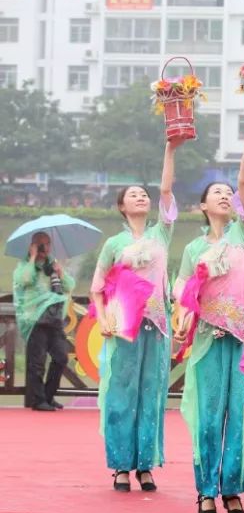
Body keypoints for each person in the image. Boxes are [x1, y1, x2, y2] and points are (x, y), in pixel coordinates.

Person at [173, 127, 244, 513]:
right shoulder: (194, 249)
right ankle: (206, 489)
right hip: (208, 338)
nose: (226, 197)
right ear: (203, 207)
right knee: (209, 415)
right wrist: (182, 316)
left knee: (242, 413)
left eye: (229, 195)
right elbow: (182, 288)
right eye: (217, 194)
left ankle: (233, 488)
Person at [91, 140, 178, 493]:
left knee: (152, 391)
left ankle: (145, 465)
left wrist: (170, 149)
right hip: (123, 327)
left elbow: (167, 189)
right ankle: (121, 465)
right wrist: (101, 318)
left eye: (144, 194)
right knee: (121, 392)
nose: (142, 197)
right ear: (121, 206)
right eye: (134, 195)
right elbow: (97, 287)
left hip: (157, 325)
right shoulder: (114, 244)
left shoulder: (161, 233)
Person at [14, 232, 75, 411]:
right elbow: (23, 279)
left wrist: (60, 272)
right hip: (35, 320)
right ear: (32, 246)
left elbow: (70, 286)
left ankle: (47, 396)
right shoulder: (25, 265)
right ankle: (38, 400)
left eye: (47, 244)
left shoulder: (53, 266)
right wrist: (33, 258)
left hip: (54, 319)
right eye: (40, 244)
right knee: (37, 362)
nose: (44, 248)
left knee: (61, 357)